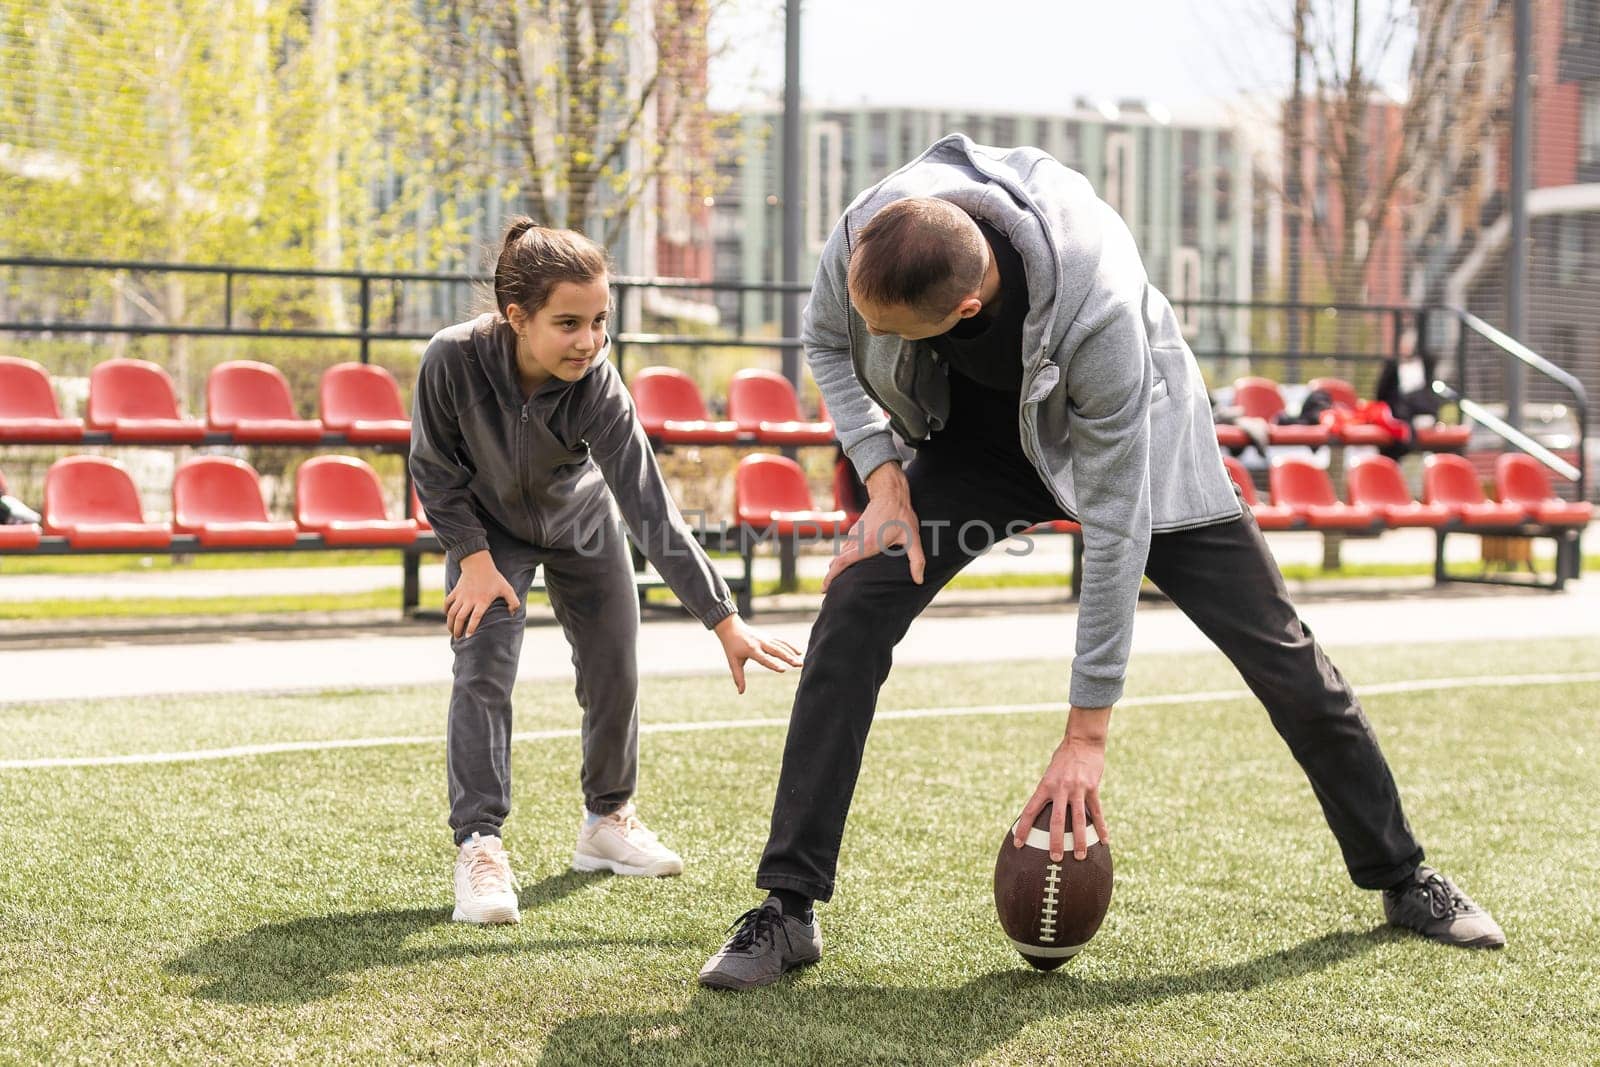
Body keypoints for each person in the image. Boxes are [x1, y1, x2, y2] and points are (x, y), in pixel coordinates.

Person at [698, 136, 1503, 989]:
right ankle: (788, 909)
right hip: (979, 441)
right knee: (857, 599)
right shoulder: (870, 232)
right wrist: (885, 480)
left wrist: (1086, 732)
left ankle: (1404, 875)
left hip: (1135, 443)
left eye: (892, 333)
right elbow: (827, 342)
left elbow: (1117, 526)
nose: (872, 337)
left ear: (967, 307)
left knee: (1286, 658)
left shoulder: (1101, 311)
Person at [410, 219, 803, 925]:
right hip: (488, 533)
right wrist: (470, 556)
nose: (589, 341)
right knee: (482, 667)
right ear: (516, 317)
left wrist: (724, 617)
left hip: (583, 523)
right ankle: (479, 843)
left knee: (614, 666)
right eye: (568, 323)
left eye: (599, 321)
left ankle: (606, 821)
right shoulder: (451, 361)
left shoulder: (598, 384)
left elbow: (651, 509)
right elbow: (431, 468)